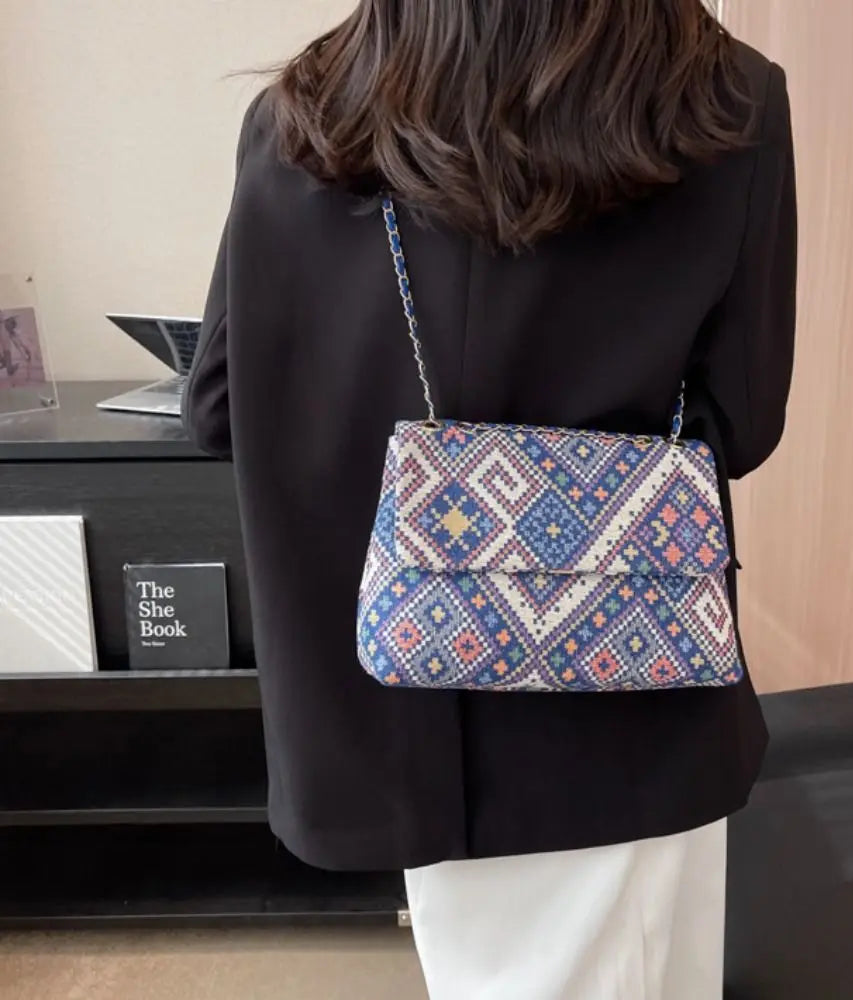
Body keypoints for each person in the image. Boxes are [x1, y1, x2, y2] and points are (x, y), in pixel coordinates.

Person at [184, 1, 795, 996]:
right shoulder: (728, 98)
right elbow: (742, 419)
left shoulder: (311, 112)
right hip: (629, 689)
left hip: (405, 683)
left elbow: (218, 407)